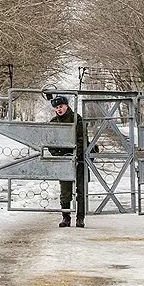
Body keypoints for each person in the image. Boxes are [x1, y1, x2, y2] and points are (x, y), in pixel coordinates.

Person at [48, 95, 86, 227]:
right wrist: (58, 155)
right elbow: (50, 142)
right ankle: (66, 217)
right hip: (63, 160)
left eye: (61, 106)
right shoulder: (53, 122)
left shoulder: (77, 119)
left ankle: (80, 218)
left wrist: (76, 154)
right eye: (56, 107)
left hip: (78, 160)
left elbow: (82, 139)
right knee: (65, 190)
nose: (59, 109)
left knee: (81, 189)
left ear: (67, 106)